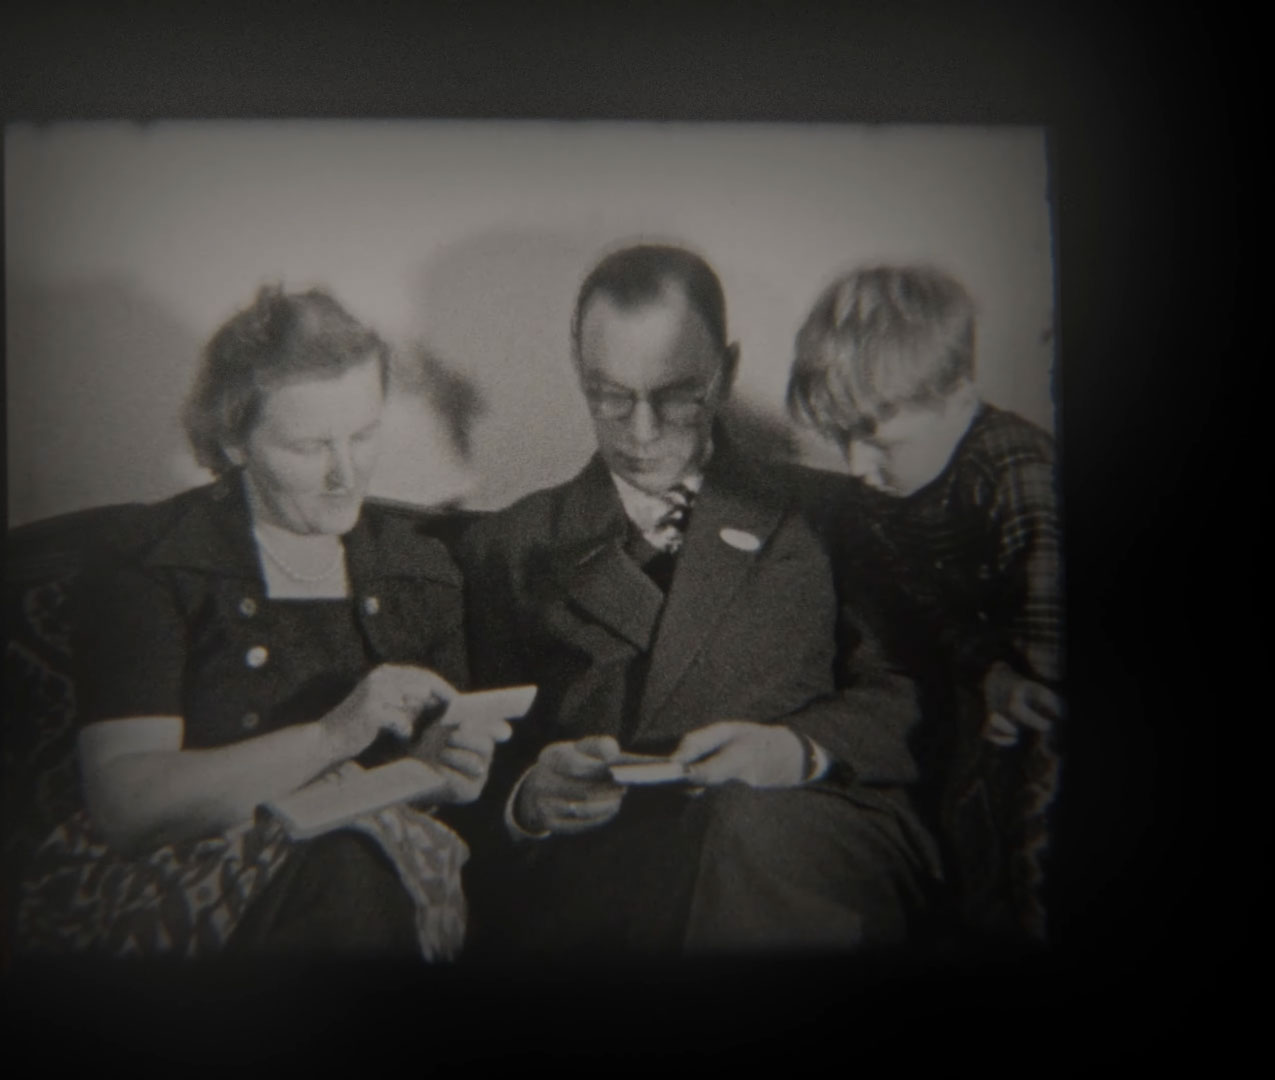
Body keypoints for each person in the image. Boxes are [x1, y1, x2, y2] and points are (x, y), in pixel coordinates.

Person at [458, 244, 936, 954]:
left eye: (677, 394)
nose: (640, 432)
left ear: (727, 372)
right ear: (579, 376)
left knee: (742, 829)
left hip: (803, 847)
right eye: (609, 396)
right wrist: (529, 798)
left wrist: (796, 749)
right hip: (608, 879)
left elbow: (908, 695)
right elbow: (469, 757)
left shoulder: (831, 515)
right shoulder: (511, 544)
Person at [13, 285, 508, 960]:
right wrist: (337, 733)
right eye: (308, 448)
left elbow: (445, 793)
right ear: (235, 441)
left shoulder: (419, 571)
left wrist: (440, 773)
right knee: (343, 871)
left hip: (373, 894)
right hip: (190, 890)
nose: (345, 475)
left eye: (362, 436)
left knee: (354, 868)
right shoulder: (154, 562)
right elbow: (127, 808)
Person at [786, 265, 1064, 943]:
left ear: (960, 395)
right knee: (974, 850)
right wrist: (989, 677)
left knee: (1035, 849)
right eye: (841, 441)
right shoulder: (880, 492)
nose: (855, 468)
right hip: (978, 684)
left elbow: (1050, 620)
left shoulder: (1016, 469)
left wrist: (1024, 685)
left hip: (1048, 686)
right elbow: (924, 610)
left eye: (879, 442)